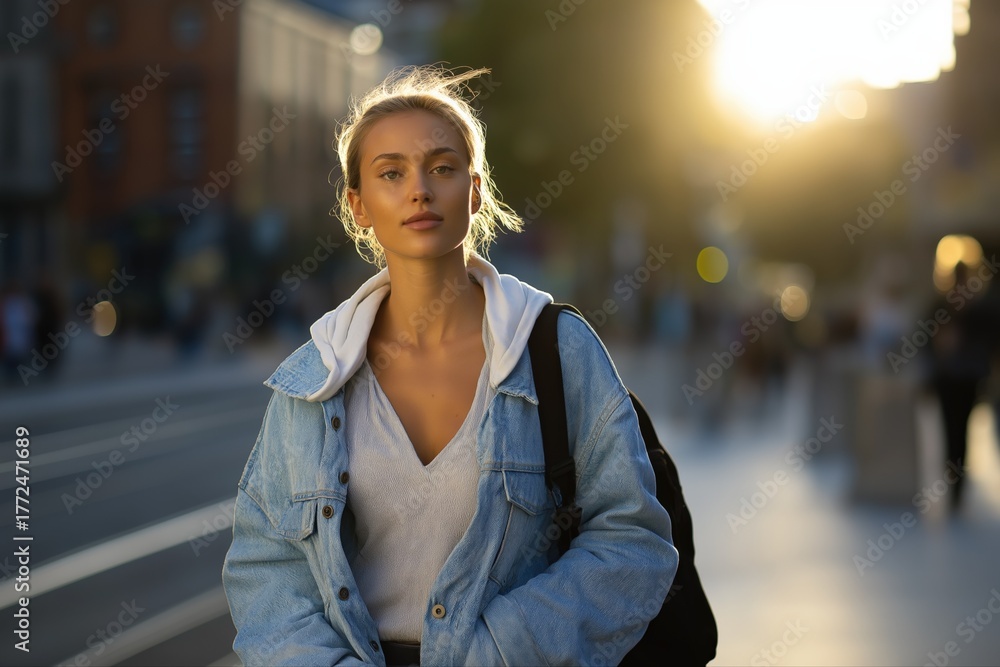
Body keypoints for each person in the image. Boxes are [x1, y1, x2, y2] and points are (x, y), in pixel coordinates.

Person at [222, 65, 677, 666]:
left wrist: (500, 650)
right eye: (391, 173)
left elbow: (632, 539)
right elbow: (266, 565)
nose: (419, 190)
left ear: (476, 189)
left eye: (441, 167)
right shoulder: (315, 379)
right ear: (358, 205)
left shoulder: (555, 350)